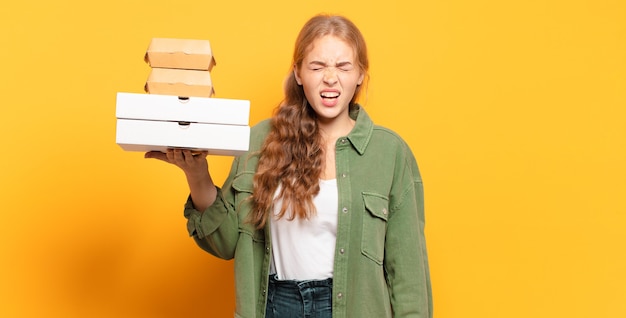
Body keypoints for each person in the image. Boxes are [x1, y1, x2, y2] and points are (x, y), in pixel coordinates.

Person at [146, 14, 432, 318]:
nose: (330, 77)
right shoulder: (260, 139)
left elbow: (408, 274)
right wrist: (196, 173)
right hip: (274, 306)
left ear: (360, 74)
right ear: (298, 73)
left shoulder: (389, 153)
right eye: (317, 66)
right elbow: (227, 242)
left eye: (343, 66)